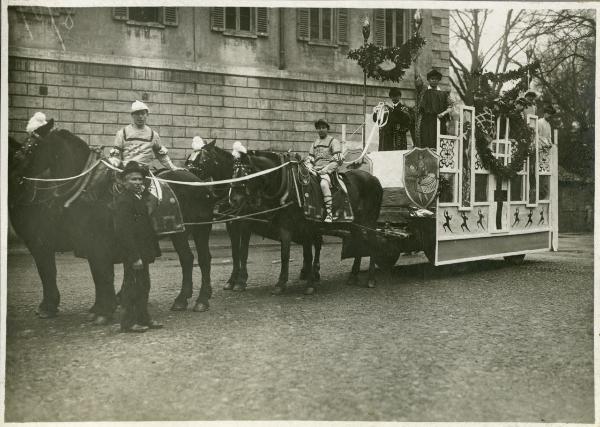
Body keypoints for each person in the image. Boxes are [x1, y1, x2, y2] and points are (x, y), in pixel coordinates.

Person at [114, 161, 163, 333]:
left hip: (143, 251)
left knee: (144, 285)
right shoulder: (124, 201)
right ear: (125, 182)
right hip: (133, 253)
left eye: (140, 180)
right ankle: (128, 322)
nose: (137, 183)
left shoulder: (139, 198)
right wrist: (134, 256)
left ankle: (144, 318)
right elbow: (123, 232)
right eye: (133, 179)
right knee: (131, 287)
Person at [110, 100, 181, 170]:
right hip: (127, 171)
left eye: (143, 113)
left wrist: (173, 168)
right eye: (137, 114)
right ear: (132, 115)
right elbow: (116, 156)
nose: (140, 117)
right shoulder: (122, 133)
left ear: (147, 115)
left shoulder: (153, 135)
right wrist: (113, 165)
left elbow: (161, 155)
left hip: (144, 172)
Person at [305, 119, 343, 223]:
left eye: (323, 127)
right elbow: (310, 158)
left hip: (329, 171)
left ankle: (329, 213)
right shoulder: (314, 143)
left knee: (323, 184)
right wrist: (309, 166)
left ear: (327, 128)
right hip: (315, 170)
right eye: (319, 128)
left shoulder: (333, 141)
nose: (321, 130)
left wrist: (326, 169)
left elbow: (338, 160)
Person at [415, 69, 455, 149]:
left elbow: (451, 106)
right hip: (426, 121)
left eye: (436, 79)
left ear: (439, 80)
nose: (434, 81)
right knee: (425, 141)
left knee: (437, 142)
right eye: (432, 79)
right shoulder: (424, 91)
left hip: (439, 121)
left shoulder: (443, 94)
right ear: (429, 80)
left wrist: (443, 113)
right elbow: (418, 84)